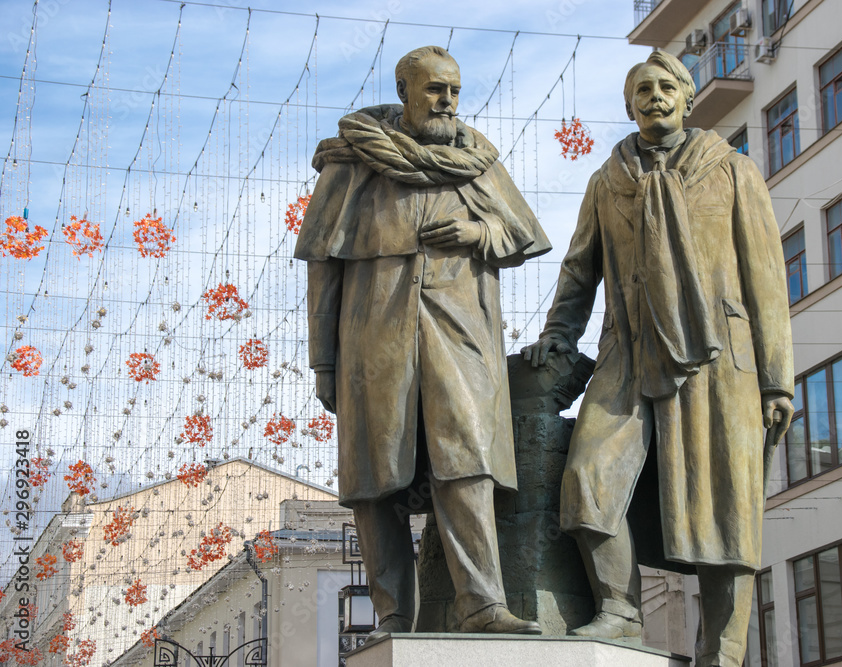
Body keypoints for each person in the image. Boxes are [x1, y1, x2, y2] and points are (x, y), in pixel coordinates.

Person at [522, 51, 794, 666]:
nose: (654, 96)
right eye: (641, 89)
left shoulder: (732, 172)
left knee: (724, 509)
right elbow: (578, 272)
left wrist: (778, 381)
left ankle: (721, 651)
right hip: (628, 350)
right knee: (588, 480)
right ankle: (619, 609)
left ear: (687, 98)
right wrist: (559, 334)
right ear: (628, 105)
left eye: (666, 86)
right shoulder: (608, 179)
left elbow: (766, 282)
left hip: (720, 359)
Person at [295, 45, 549, 637]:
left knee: (467, 463)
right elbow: (321, 270)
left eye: (455, 90)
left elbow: (524, 233)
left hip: (460, 336)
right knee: (372, 477)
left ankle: (483, 606)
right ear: (404, 89)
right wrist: (323, 363)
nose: (447, 101)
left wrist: (477, 230)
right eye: (435, 89)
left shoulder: (476, 163)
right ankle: (391, 616)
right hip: (372, 340)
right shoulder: (353, 163)